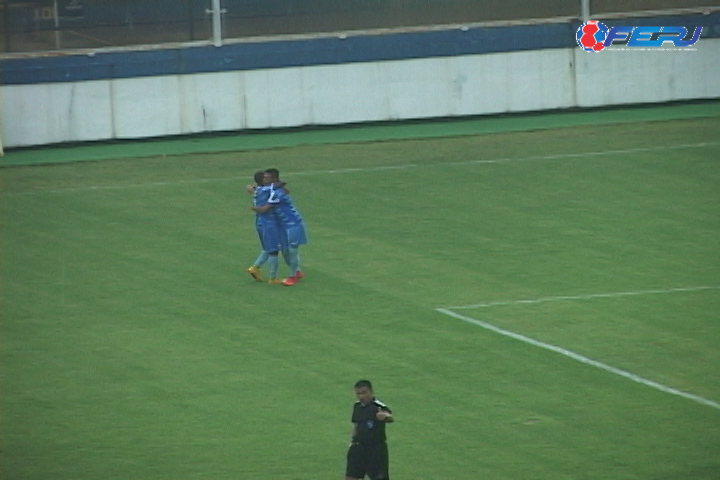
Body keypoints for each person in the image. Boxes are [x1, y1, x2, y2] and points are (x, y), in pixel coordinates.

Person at [252, 168, 307, 286]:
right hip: (284, 225)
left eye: (267, 178)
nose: (264, 180)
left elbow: (265, 209)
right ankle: (297, 271)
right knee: (286, 251)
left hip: (293, 224)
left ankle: (293, 276)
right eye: (264, 178)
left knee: (291, 251)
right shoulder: (274, 190)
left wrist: (254, 208)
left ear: (274, 179)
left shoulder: (277, 193)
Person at [345, 380, 394, 480]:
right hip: (358, 448)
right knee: (350, 477)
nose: (361, 396)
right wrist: (352, 443)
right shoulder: (357, 406)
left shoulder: (377, 406)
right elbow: (356, 425)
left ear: (371, 392)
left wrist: (384, 417)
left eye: (364, 392)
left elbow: (389, 416)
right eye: (358, 393)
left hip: (375, 450)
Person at [246, 171, 285, 285]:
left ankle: (254, 268)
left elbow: (251, 188)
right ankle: (273, 278)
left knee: (266, 248)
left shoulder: (258, 190)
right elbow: (281, 184)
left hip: (259, 221)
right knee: (273, 251)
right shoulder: (267, 190)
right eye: (266, 178)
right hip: (268, 223)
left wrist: (252, 186)